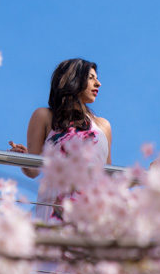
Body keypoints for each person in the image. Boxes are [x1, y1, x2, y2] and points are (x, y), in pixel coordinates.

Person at [8, 58, 112, 218]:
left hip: (92, 214)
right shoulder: (44, 116)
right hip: (56, 210)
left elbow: (109, 180)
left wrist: (149, 175)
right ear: (73, 79)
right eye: (91, 78)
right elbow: (33, 170)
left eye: (97, 78)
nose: (98, 84)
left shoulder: (103, 126)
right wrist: (22, 158)